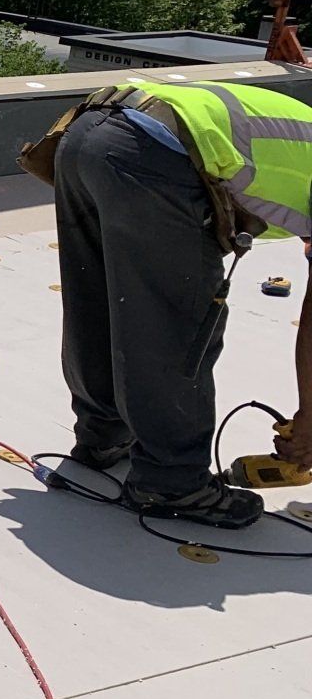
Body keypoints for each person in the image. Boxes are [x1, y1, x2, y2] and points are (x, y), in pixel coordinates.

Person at [43, 79, 312, 530]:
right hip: (157, 156)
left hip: (90, 134)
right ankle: (172, 482)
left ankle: (103, 436)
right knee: (177, 325)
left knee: (103, 302)